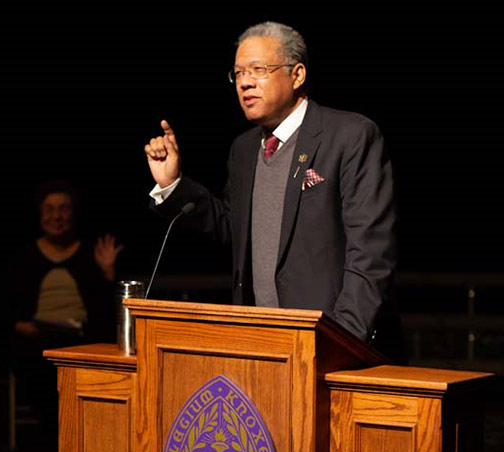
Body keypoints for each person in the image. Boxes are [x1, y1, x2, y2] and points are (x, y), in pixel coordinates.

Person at [144, 21, 402, 360]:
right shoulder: (243, 149)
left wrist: (341, 343)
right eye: (237, 74)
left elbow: (371, 254)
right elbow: (233, 228)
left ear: (296, 75)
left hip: (330, 348)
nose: (245, 82)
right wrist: (172, 184)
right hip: (262, 347)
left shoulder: (350, 136)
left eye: (258, 70)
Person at [1, 180, 123, 433]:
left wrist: (107, 273)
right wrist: (20, 326)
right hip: (36, 342)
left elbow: (103, 312)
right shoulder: (23, 257)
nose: (56, 216)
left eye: (63, 209)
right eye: (50, 209)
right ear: (40, 214)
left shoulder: (91, 254)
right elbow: (4, 307)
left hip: (79, 340)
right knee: (39, 371)